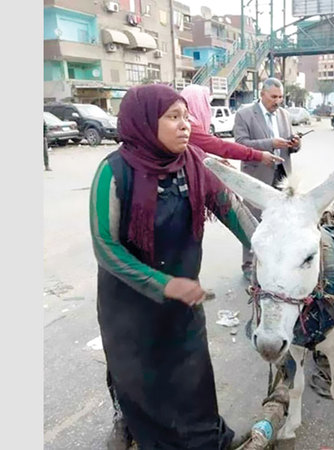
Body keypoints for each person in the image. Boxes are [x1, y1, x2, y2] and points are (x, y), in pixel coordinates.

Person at [89, 84, 257, 450]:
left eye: (186, 116)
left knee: (193, 380)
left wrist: (270, 250)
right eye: (173, 117)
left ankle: (209, 441)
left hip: (183, 302)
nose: (185, 124)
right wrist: (161, 284)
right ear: (146, 122)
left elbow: (232, 210)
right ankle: (135, 429)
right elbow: (105, 248)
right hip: (130, 307)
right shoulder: (114, 171)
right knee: (143, 385)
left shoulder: (194, 163)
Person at [233, 77, 303, 281]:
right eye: (273, 97)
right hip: (257, 176)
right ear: (262, 94)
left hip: (282, 176)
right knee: (253, 221)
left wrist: (295, 144)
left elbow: (291, 145)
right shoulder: (245, 115)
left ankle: (276, 261)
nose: (278, 101)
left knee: (282, 220)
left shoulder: (284, 115)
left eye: (280, 97)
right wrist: (270, 143)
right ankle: (249, 264)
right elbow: (241, 145)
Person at [181, 84, 284, 168]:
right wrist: (259, 155)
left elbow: (194, 154)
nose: (207, 108)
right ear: (198, 104)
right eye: (206, 103)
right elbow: (221, 146)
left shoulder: (187, 125)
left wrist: (214, 161)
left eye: (280, 97)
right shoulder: (188, 128)